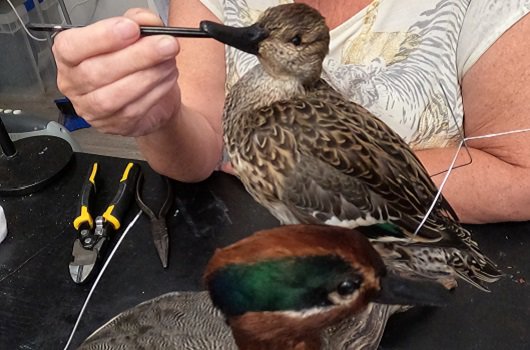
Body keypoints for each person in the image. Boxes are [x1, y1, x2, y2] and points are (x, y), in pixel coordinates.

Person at [51, 0, 530, 224]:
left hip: (431, 257)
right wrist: (155, 115)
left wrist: (308, 180)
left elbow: (521, 177)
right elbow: (201, 149)